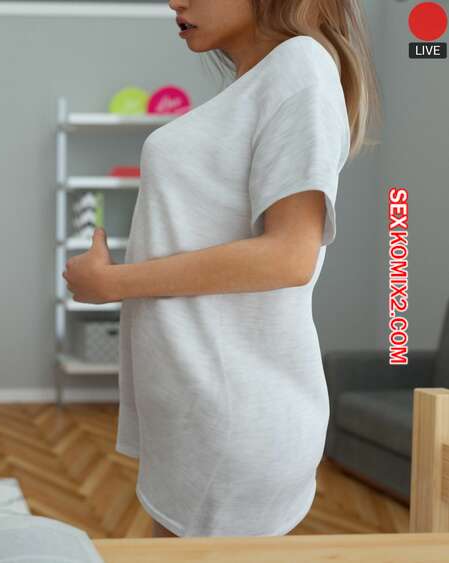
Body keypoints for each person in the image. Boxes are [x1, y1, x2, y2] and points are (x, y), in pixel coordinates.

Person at [63, 0, 378, 538]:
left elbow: (289, 256)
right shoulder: (260, 83)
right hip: (201, 406)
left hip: (233, 413)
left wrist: (113, 282)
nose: (175, 2)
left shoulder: (300, 65)